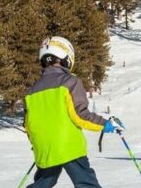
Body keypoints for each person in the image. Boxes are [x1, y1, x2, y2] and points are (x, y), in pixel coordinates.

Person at [24, 36, 121, 188]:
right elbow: (80, 115)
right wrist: (105, 124)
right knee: (85, 182)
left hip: (44, 147)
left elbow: (28, 125)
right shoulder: (69, 82)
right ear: (66, 57)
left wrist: (38, 142)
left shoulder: (31, 91)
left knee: (44, 181)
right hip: (68, 145)